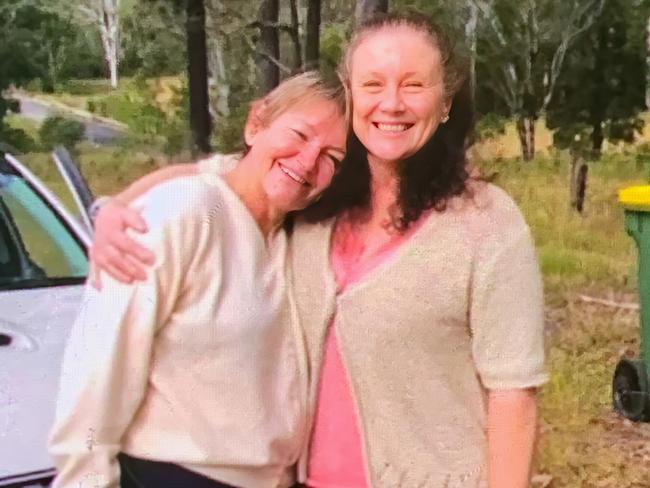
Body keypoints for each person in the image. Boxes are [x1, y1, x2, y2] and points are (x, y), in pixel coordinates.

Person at [89, 13, 547, 488]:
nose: (391, 104)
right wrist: (113, 209)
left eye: (414, 85)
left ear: (445, 101)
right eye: (373, 84)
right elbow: (224, 177)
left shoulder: (486, 225)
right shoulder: (315, 201)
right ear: (350, 94)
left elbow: (514, 394)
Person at [48, 71, 348, 488]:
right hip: (174, 475)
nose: (309, 160)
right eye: (300, 134)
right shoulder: (185, 209)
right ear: (255, 123)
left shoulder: (294, 238)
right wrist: (85, 479)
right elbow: (100, 363)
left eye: (332, 156)